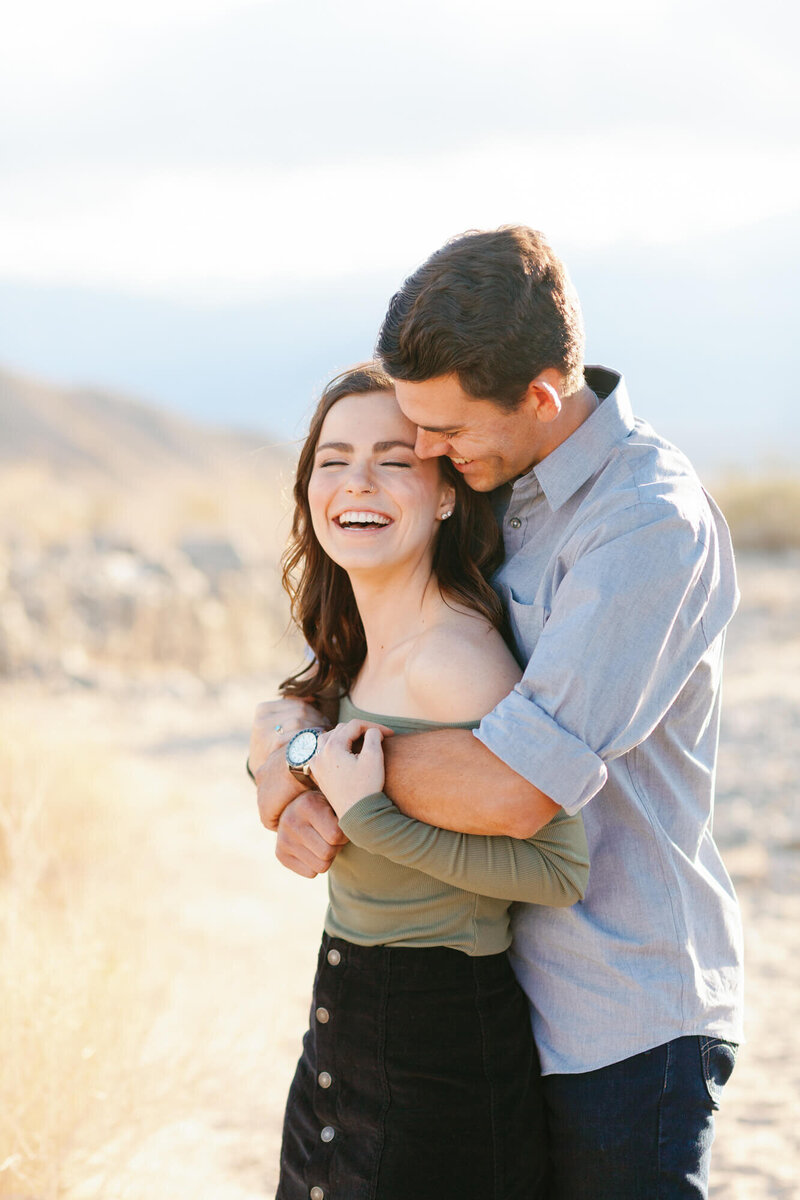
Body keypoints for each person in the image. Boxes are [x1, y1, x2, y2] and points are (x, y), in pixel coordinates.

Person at [251, 227, 744, 1200]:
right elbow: (348, 672)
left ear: (537, 398)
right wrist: (284, 737)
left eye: (443, 431)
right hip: (500, 995)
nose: (424, 451)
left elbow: (515, 789)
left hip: (620, 1014)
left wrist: (315, 762)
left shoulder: (641, 522)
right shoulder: (502, 484)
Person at [266, 361, 589, 1200]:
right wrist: (286, 770)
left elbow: (560, 868)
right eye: (332, 460)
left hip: (441, 1047)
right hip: (342, 1024)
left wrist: (368, 818)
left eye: (394, 459)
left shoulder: (454, 661)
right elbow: (292, 736)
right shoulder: (358, 645)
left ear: (445, 494)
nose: (356, 482)